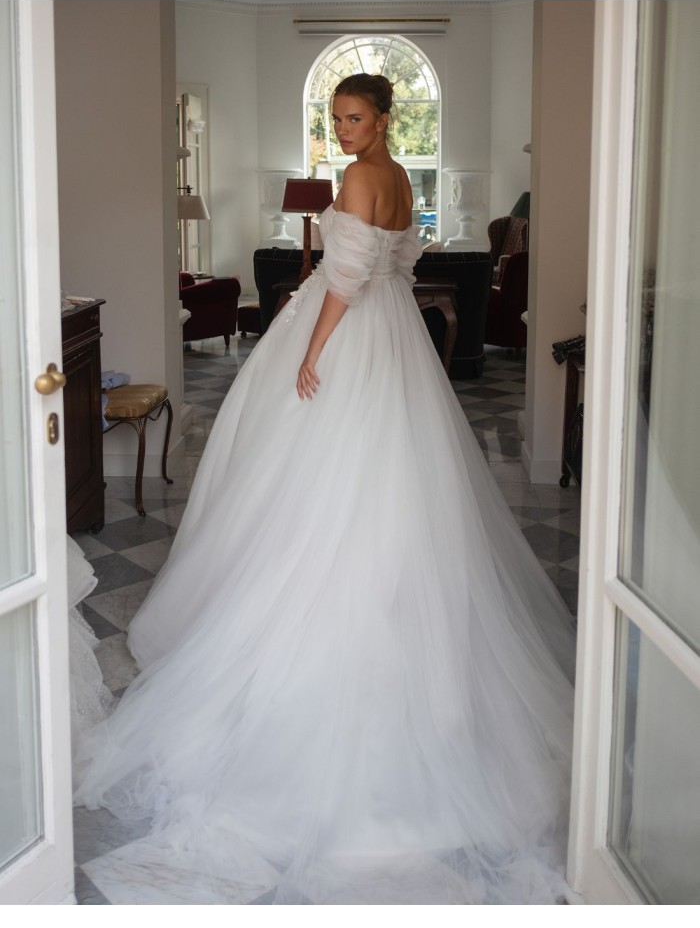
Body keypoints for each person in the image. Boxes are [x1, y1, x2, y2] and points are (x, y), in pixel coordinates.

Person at [74, 73, 577, 905]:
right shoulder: (403, 178)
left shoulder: (357, 179)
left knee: (305, 482)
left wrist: (310, 351)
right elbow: (400, 263)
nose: (342, 130)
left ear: (383, 117)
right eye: (335, 118)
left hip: (347, 331)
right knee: (401, 489)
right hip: (395, 336)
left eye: (354, 117)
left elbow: (339, 286)